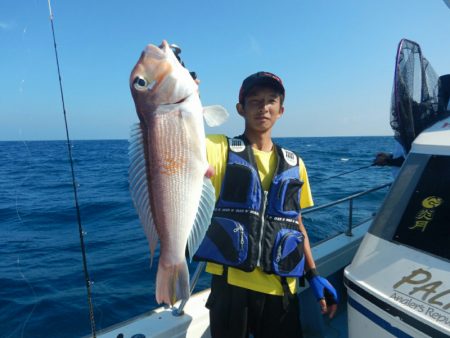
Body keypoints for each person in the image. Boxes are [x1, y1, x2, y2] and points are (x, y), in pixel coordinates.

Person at [194, 72, 338, 338]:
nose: (264, 107)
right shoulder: (220, 149)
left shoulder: (296, 164)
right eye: (255, 100)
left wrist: (314, 273)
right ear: (241, 109)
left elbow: (296, 223)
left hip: (281, 288)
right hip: (231, 286)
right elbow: (181, 141)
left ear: (281, 110)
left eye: (271, 100)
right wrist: (182, 96)